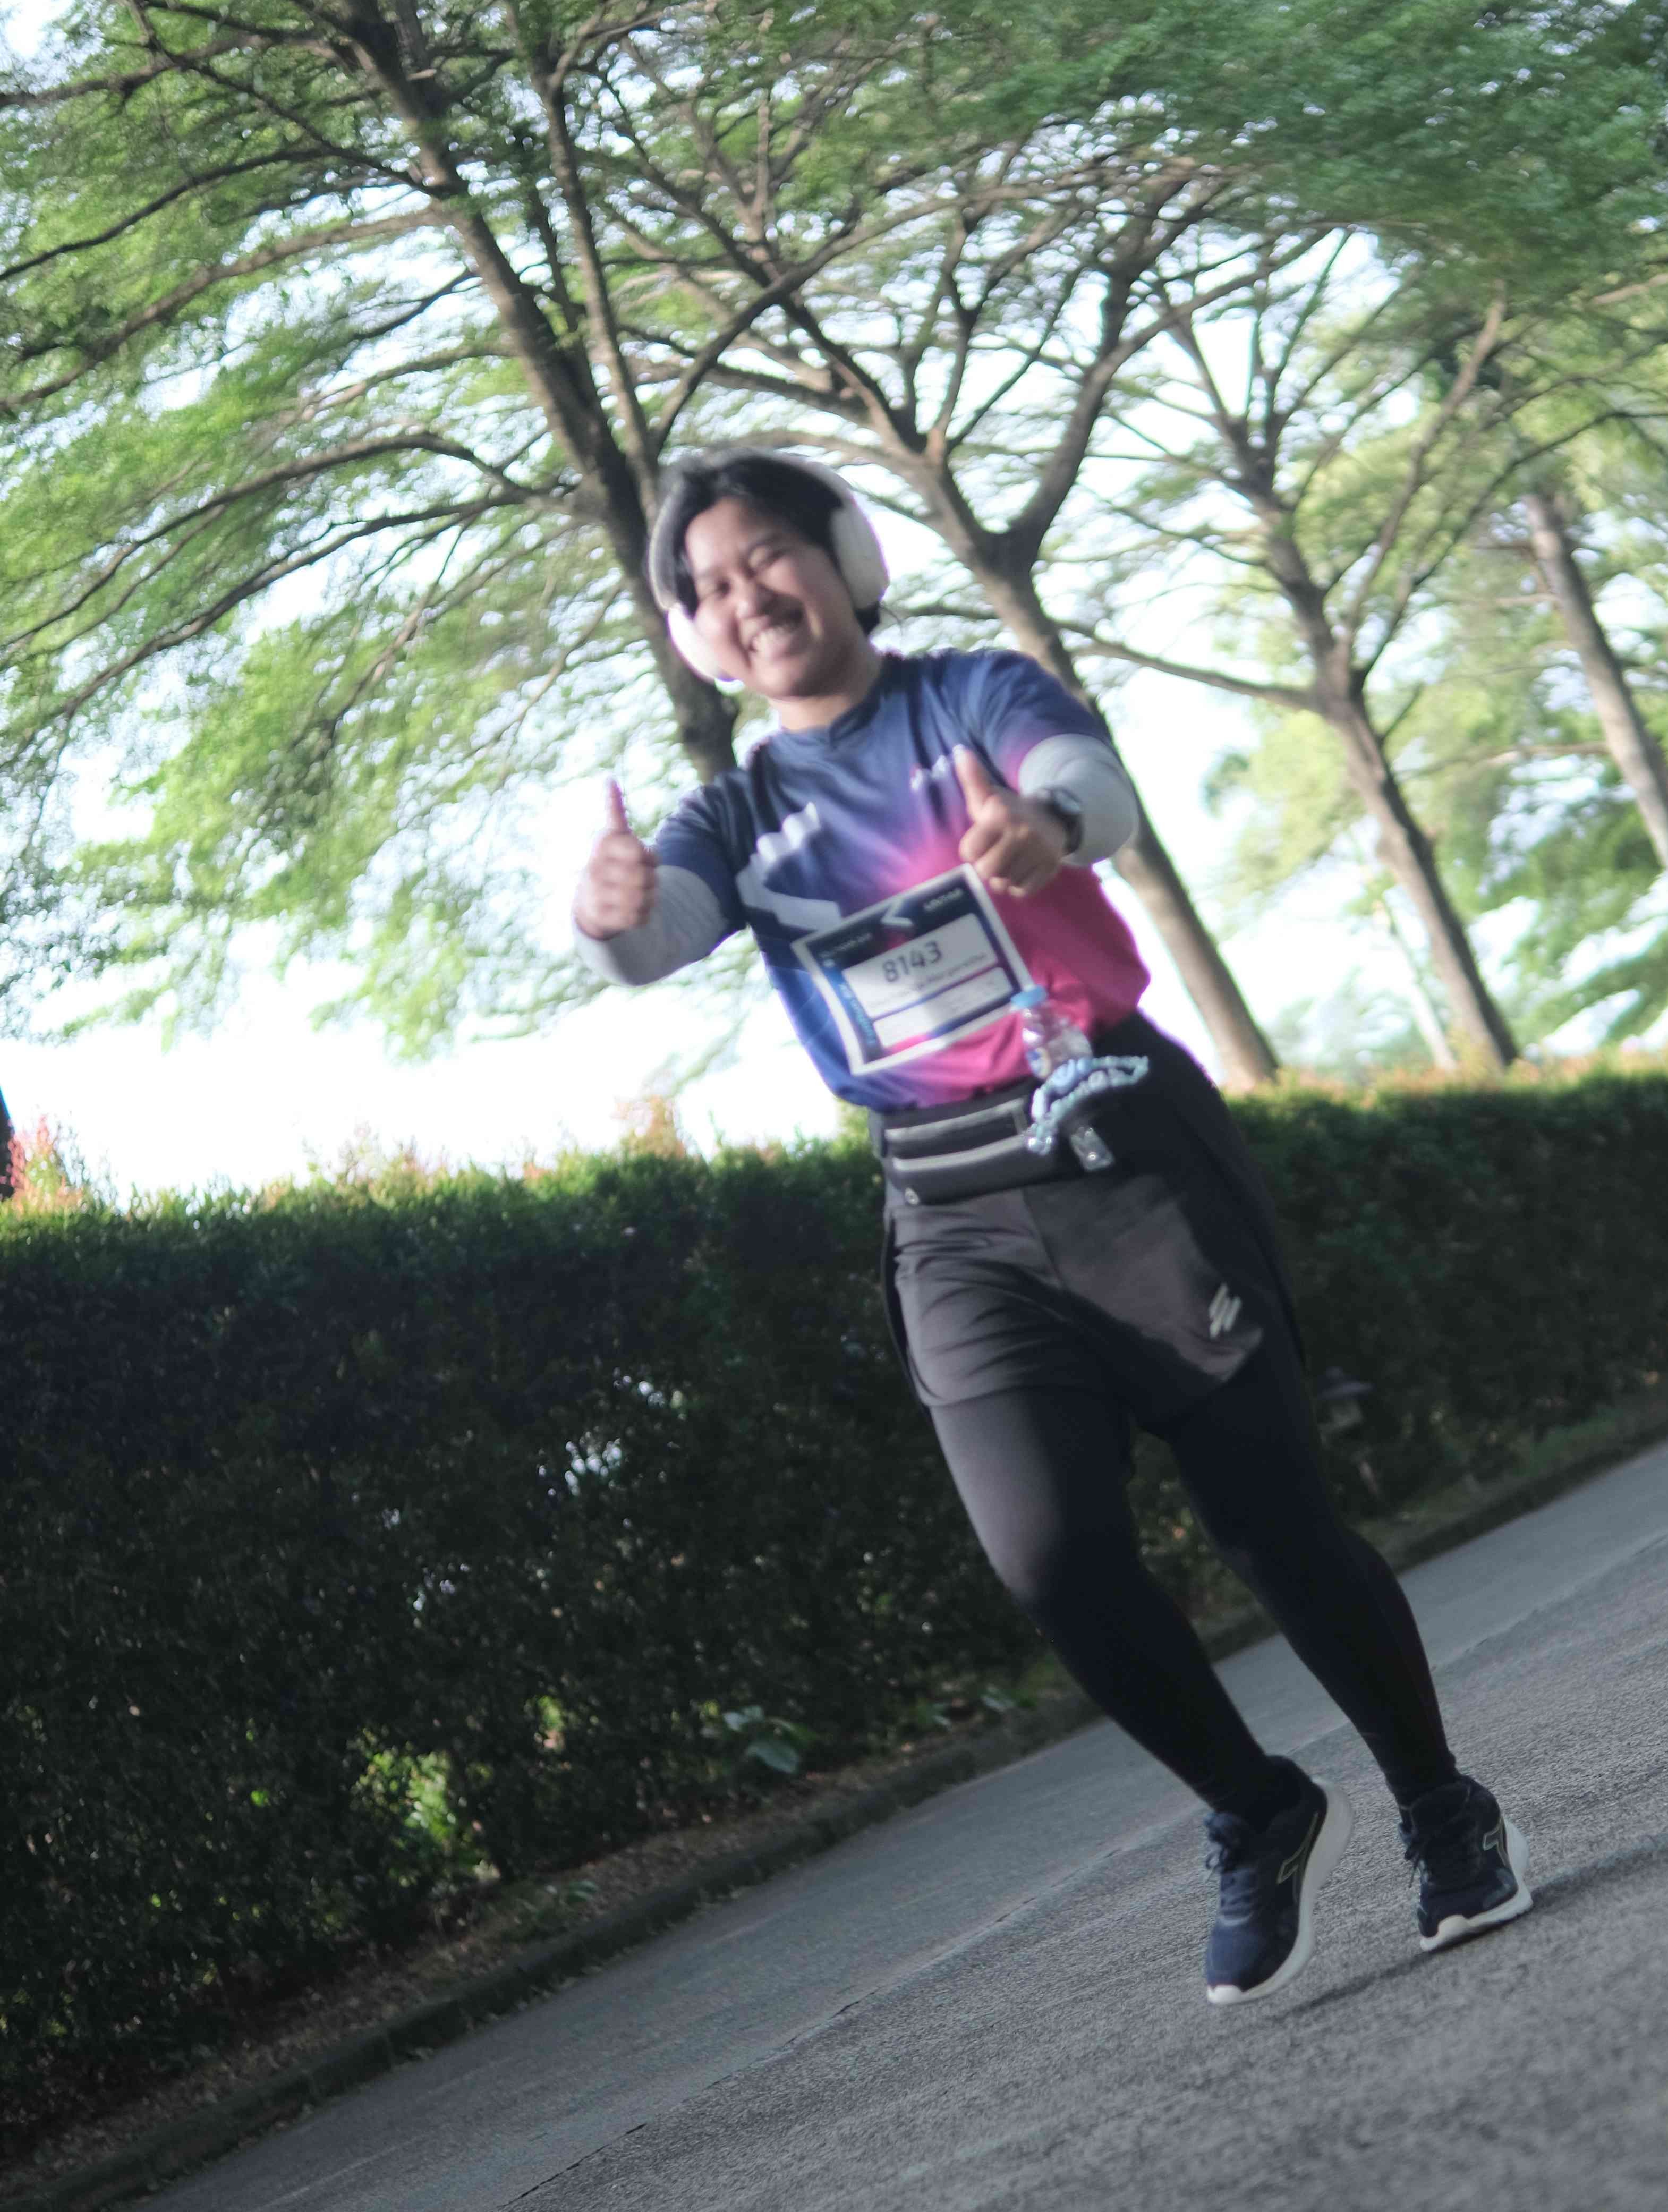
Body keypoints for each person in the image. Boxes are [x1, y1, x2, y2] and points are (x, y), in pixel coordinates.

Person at [572, 448, 1531, 2004]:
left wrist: (1045, 822)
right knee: (1050, 1557)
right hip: (948, 1213)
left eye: (772, 557)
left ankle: (1441, 1805)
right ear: (694, 635)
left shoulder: (970, 698)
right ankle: (1254, 1806)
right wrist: (610, 917)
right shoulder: (732, 813)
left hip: (1122, 1153)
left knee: (1272, 1521)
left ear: (846, 556)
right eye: (715, 589)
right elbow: (658, 933)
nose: (753, 598)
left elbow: (1095, 784)